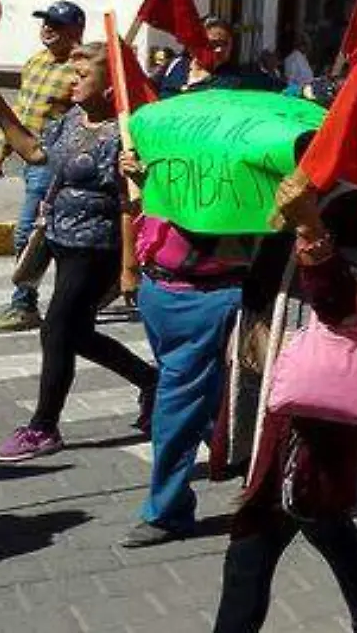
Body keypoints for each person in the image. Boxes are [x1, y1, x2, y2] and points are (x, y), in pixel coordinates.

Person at [211, 179, 357, 633]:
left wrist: (311, 224)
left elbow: (341, 303)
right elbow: (232, 255)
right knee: (303, 519)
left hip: (313, 406)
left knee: (285, 519)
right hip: (264, 390)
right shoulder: (279, 190)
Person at [0, 43, 158, 462]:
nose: (71, 81)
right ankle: (150, 381)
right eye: (71, 74)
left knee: (57, 328)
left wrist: (130, 267)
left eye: (81, 75)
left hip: (99, 246)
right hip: (61, 238)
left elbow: (134, 203)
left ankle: (44, 426)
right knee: (74, 332)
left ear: (110, 84)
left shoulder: (126, 133)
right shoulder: (71, 120)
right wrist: (2, 111)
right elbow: (36, 153)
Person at [117, 213, 280, 546]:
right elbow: (133, 206)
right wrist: (130, 265)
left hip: (206, 292)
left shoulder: (235, 168)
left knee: (177, 405)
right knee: (210, 395)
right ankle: (255, 469)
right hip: (161, 287)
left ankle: (167, 510)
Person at [0, 1, 85, 334]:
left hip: (55, 161)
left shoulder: (80, 70)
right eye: (45, 21)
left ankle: (23, 304)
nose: (47, 27)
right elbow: (22, 110)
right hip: (28, 158)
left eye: (56, 23)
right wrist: (3, 145)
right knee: (52, 235)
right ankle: (78, 296)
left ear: (75, 30)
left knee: (27, 233)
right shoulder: (35, 62)